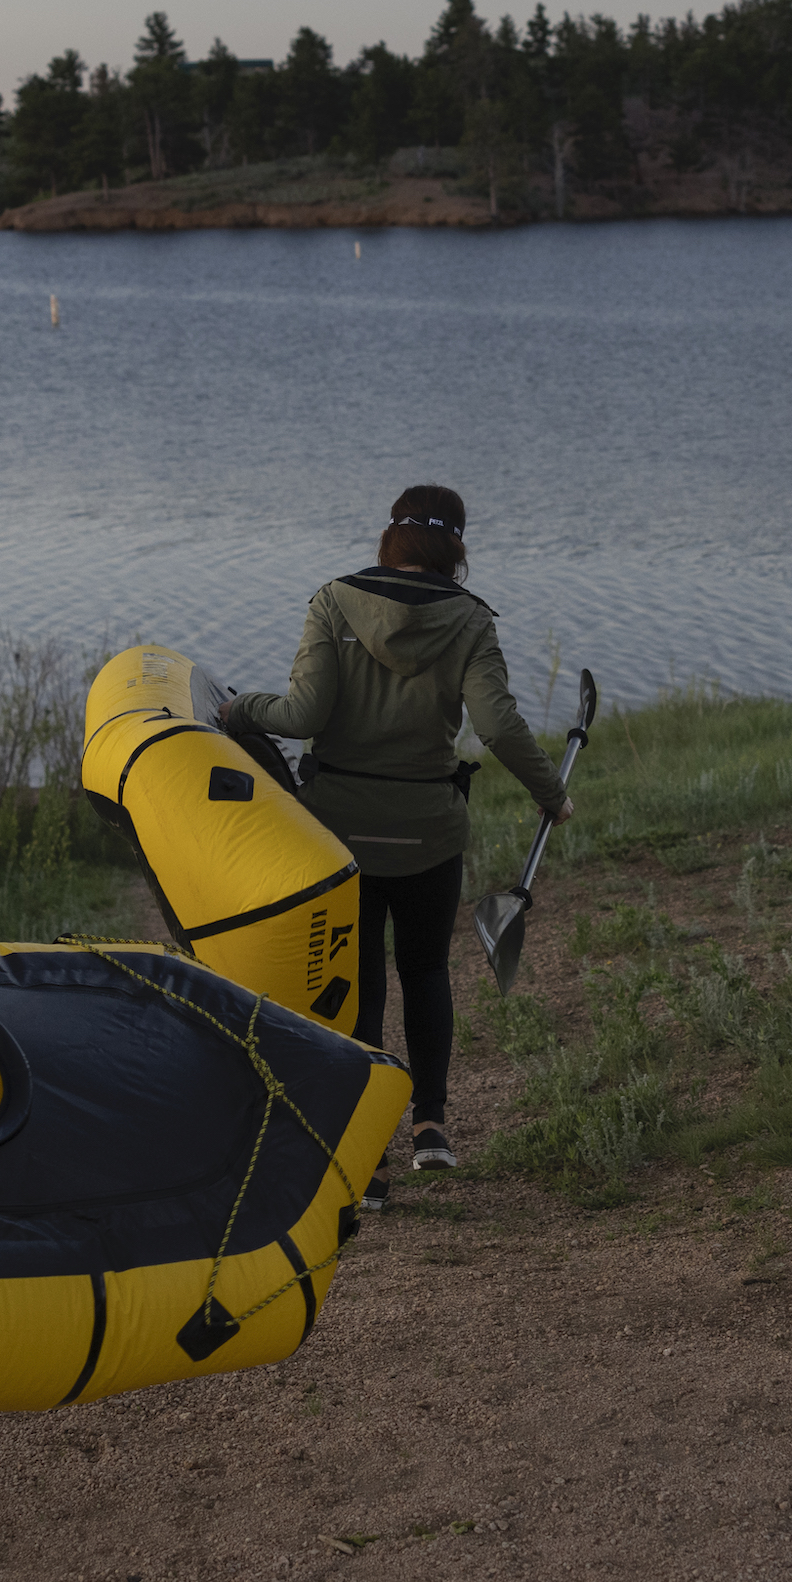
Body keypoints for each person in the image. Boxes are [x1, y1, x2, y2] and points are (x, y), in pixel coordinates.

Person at [221, 485, 570, 1180]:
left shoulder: (333, 600)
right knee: (425, 971)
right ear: (455, 547)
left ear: (391, 537)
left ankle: (368, 1149)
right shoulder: (471, 622)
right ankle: (432, 1126)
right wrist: (550, 793)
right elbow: (497, 726)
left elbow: (300, 711)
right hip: (428, 834)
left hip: (336, 836)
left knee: (359, 980)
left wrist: (237, 710)